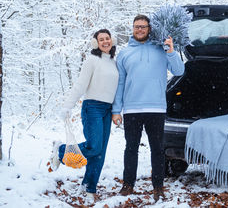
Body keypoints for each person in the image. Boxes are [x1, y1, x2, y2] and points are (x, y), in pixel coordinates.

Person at [111, 14, 184, 202]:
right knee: (131, 148)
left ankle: (158, 187)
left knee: (158, 149)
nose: (140, 29)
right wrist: (116, 109)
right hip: (132, 109)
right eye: (137, 26)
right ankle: (128, 185)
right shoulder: (125, 54)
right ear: (133, 29)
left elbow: (179, 71)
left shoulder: (161, 49)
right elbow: (120, 83)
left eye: (143, 26)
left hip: (156, 108)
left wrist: (171, 51)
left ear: (149, 29)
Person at [47, 29, 119, 201]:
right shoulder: (92, 60)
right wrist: (67, 107)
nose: (105, 42)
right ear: (96, 43)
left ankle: (89, 188)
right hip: (92, 107)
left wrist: (117, 110)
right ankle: (61, 150)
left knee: (100, 152)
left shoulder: (114, 63)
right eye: (101, 39)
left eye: (107, 38)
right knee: (94, 146)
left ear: (112, 40)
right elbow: (80, 85)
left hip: (107, 109)